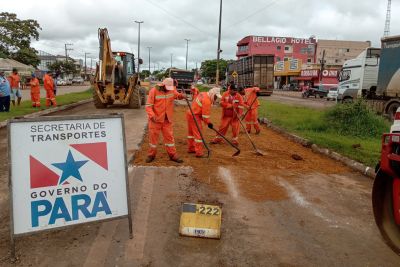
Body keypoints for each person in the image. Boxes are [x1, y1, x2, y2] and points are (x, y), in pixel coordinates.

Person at [145, 77, 186, 163]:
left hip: (167, 119)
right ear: (163, 85)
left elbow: (177, 95)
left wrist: (182, 96)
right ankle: (151, 155)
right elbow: (148, 106)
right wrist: (152, 116)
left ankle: (172, 155)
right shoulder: (154, 91)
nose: (169, 90)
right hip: (155, 120)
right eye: (167, 87)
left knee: (169, 138)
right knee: (153, 139)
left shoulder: (171, 90)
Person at [186, 87, 222, 158]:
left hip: (190, 113)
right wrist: (209, 123)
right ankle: (199, 152)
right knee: (198, 135)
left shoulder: (203, 93)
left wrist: (207, 122)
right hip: (195, 116)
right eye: (215, 96)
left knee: (191, 134)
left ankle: (191, 148)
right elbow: (205, 116)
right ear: (212, 94)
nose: (215, 99)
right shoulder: (207, 101)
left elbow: (202, 113)